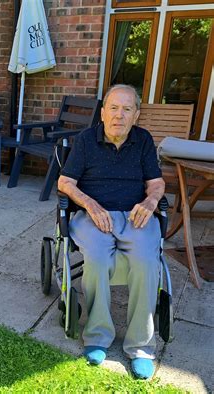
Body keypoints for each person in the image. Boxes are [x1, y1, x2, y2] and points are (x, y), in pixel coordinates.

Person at [58, 84, 165, 380]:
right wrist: (91, 206)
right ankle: (97, 336)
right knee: (98, 260)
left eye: (127, 109)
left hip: (134, 215)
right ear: (103, 112)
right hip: (94, 215)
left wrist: (150, 201)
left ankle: (141, 346)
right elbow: (65, 183)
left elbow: (156, 184)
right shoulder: (85, 141)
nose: (119, 115)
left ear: (136, 115)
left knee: (147, 262)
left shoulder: (143, 140)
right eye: (114, 108)